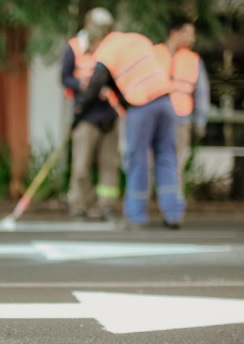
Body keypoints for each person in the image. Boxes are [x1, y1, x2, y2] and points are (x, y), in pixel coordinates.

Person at [75, 29, 185, 230]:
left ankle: (136, 216)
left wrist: (79, 111)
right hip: (165, 102)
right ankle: (173, 214)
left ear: (97, 40)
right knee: (167, 157)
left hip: (141, 106)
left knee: (137, 159)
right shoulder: (138, 38)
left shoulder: (106, 50)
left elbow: (95, 84)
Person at [61, 7, 123, 222]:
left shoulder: (111, 48)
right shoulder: (75, 47)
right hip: (86, 114)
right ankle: (79, 206)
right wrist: (83, 84)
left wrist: (110, 90)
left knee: (109, 164)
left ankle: (105, 207)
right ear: (88, 25)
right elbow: (65, 77)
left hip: (109, 114)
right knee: (81, 166)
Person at [153, 14, 210, 195]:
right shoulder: (154, 53)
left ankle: (173, 208)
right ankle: (143, 205)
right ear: (175, 33)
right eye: (189, 33)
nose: (193, 39)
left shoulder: (193, 60)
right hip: (154, 118)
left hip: (181, 119)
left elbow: (201, 92)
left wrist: (200, 121)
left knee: (176, 164)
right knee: (149, 162)